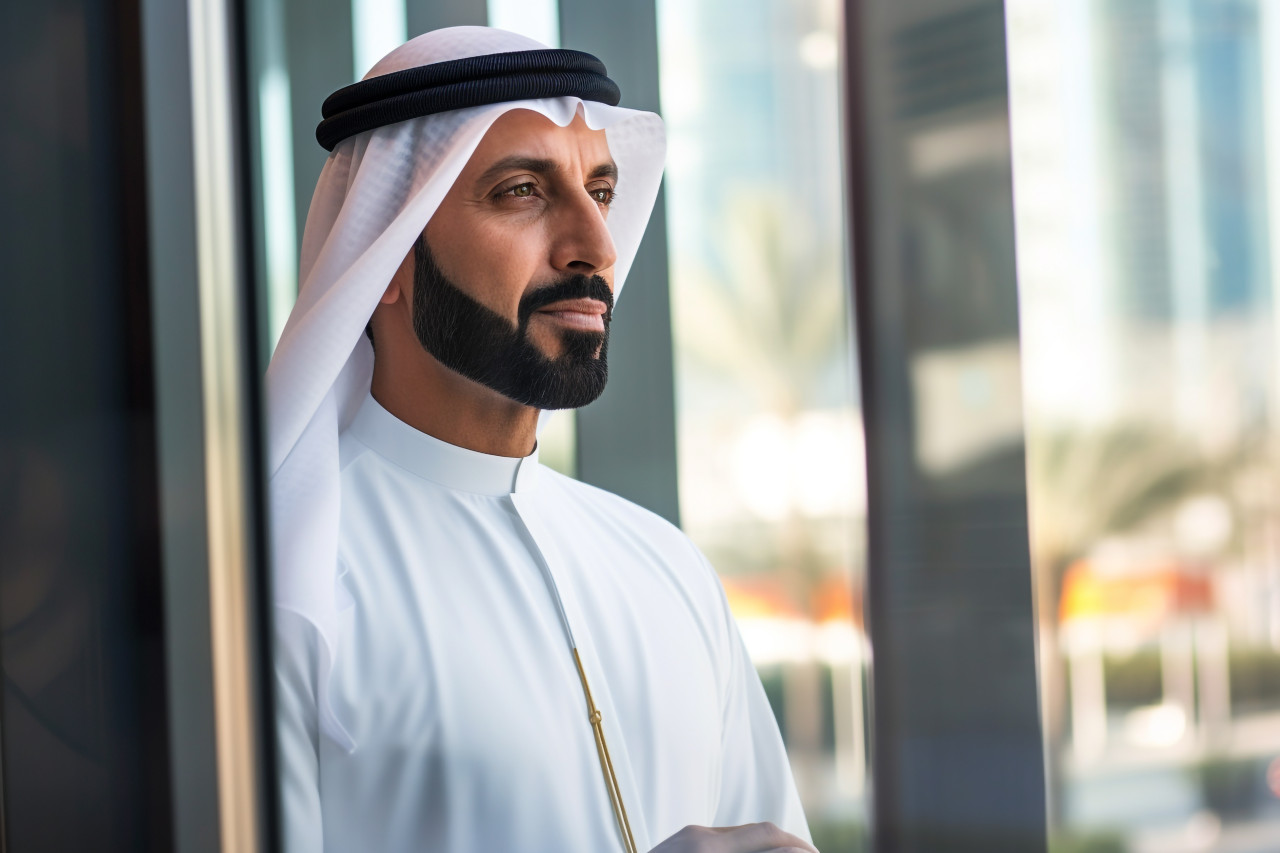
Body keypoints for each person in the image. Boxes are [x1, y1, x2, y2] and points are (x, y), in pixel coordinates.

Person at [268, 26, 816, 853]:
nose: (597, 244)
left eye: (599, 191)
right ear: (386, 259)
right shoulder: (286, 586)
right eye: (522, 190)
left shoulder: (669, 568)